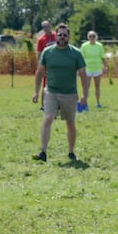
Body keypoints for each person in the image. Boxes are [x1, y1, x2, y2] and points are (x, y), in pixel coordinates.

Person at [31, 22, 89, 162]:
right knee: (48, 117)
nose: (62, 37)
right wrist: (36, 92)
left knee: (70, 123)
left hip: (69, 93)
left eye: (65, 35)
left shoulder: (76, 53)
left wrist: (85, 95)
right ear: (55, 36)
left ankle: (71, 152)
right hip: (51, 91)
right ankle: (43, 152)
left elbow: (83, 74)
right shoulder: (48, 52)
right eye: (60, 35)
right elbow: (39, 72)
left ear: (68, 37)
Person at [80, 30, 105, 108]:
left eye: (93, 36)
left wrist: (105, 66)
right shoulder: (84, 46)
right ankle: (85, 103)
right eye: (90, 36)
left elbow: (102, 57)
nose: (92, 38)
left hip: (97, 68)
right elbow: (81, 58)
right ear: (88, 37)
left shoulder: (99, 46)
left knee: (97, 86)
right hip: (87, 69)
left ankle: (98, 102)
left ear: (96, 37)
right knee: (86, 86)